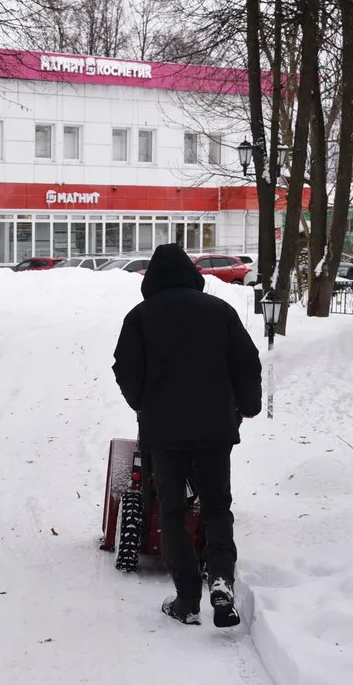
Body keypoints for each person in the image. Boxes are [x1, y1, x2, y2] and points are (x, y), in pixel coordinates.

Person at [112, 243, 262, 628]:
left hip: (163, 431)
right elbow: (246, 362)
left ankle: (187, 598)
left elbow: (125, 368)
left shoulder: (140, 317)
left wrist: (141, 404)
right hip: (215, 428)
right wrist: (247, 405)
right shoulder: (220, 312)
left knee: (173, 510)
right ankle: (221, 583)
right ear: (191, 275)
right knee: (216, 508)